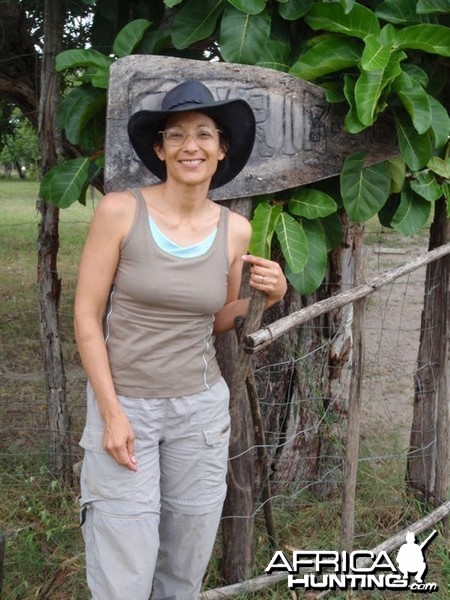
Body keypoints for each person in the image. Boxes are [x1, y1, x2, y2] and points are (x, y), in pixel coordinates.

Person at [75, 79, 287, 600]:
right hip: (127, 406)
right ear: (159, 149)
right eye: (176, 135)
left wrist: (272, 297)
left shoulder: (236, 230)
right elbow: (85, 316)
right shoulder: (121, 212)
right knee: (123, 562)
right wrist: (112, 413)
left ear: (221, 149)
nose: (190, 146)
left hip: (199, 413)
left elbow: (212, 318)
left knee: (185, 561)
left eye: (203, 135)